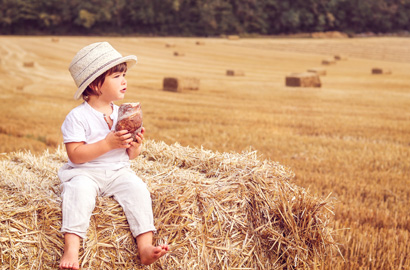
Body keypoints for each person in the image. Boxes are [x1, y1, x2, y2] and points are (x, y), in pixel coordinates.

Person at [58, 42, 169, 269]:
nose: (124, 81)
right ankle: (71, 250)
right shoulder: (77, 117)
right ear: (95, 84)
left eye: (124, 75)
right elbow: (76, 155)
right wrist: (107, 143)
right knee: (77, 194)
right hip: (85, 173)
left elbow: (130, 156)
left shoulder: (123, 112)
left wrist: (135, 145)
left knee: (139, 191)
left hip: (118, 172)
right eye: (117, 76)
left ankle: (145, 247)